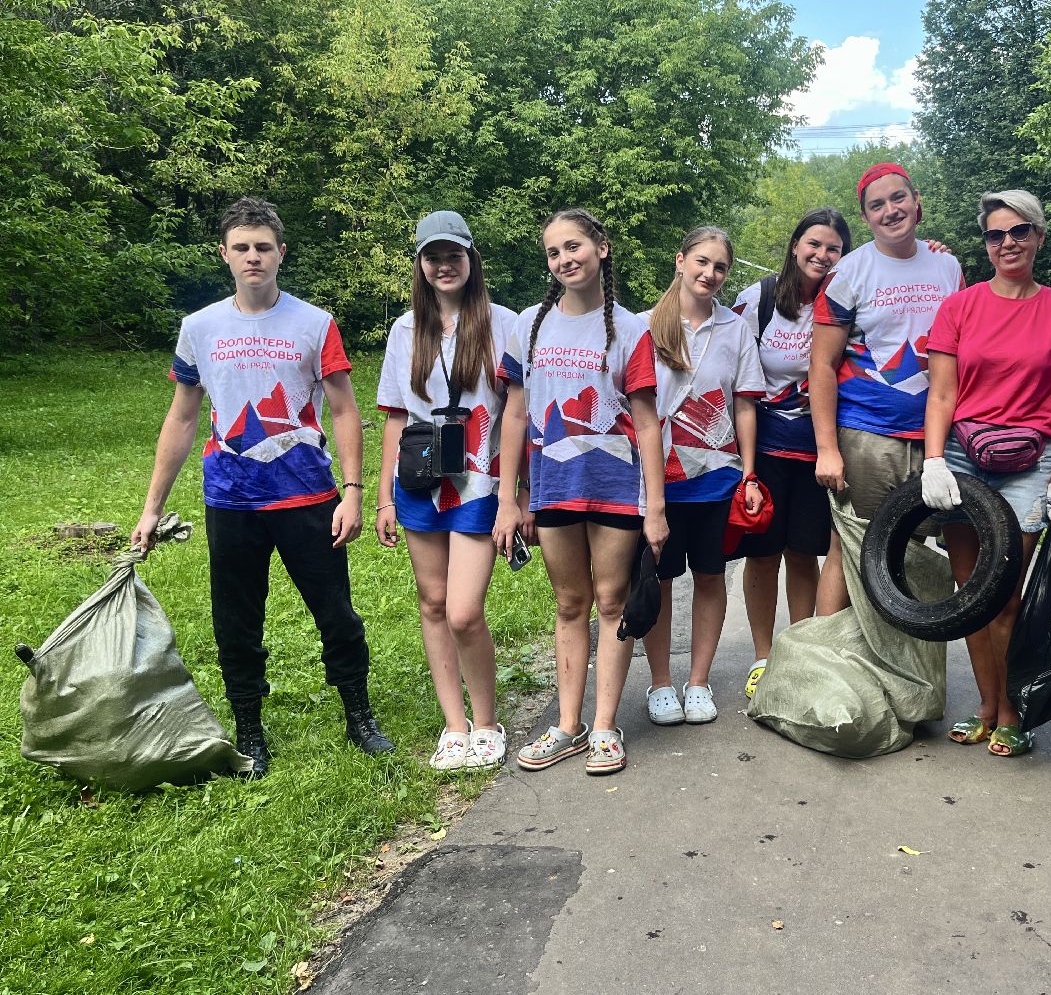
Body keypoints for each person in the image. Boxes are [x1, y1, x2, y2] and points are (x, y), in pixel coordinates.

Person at [131, 197, 393, 779]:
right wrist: (152, 508)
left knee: (337, 615)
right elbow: (181, 417)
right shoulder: (198, 327)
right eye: (242, 247)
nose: (253, 257)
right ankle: (249, 725)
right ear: (224, 254)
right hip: (231, 500)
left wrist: (353, 491)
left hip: (307, 497)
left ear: (280, 253)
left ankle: (359, 713)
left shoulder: (315, 322)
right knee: (236, 622)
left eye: (263, 247)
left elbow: (346, 410)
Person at [493, 208, 667, 776]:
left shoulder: (633, 328)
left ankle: (603, 728)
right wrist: (508, 497)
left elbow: (646, 422)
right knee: (570, 604)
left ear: (602, 249)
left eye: (574, 247)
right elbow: (514, 415)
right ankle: (567, 726)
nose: (565, 259)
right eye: (553, 252)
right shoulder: (529, 325)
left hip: (616, 486)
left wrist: (656, 508)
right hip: (552, 484)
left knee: (613, 602)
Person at [921, 189, 1051, 758]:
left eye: (1019, 232)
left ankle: (1016, 711)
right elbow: (942, 393)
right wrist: (934, 459)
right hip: (967, 455)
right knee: (970, 593)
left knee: (1007, 597)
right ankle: (987, 706)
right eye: (996, 235)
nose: (1008, 243)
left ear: (1040, 237)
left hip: (1030, 460)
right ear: (986, 244)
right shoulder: (960, 307)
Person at [375, 211, 517, 771]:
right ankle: (454, 727)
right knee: (432, 603)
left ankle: (487, 722)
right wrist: (385, 496)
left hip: (482, 480)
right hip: (421, 479)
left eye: (453, 256)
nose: (443, 266)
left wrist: (517, 493)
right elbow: (392, 415)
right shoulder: (405, 329)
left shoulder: (504, 324)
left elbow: (519, 412)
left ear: (470, 259)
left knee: (463, 611)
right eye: (432, 257)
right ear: (420, 265)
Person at [810, 163, 964, 613]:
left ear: (917, 203)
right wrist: (827, 449)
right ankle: (833, 666)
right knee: (851, 548)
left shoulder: (948, 267)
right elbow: (821, 364)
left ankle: (901, 668)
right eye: (877, 205)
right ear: (865, 217)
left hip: (938, 439)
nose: (890, 210)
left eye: (898, 198)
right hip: (867, 435)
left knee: (910, 554)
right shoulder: (848, 274)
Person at [640, 227, 765, 726]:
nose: (710, 274)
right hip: (660, 484)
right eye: (702, 261)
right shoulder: (643, 327)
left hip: (717, 479)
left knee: (711, 576)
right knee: (662, 580)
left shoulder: (735, 329)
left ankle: (698, 681)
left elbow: (745, 404)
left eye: (720, 267)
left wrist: (750, 474)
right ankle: (660, 683)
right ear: (680, 260)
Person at [731, 209, 851, 698]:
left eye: (833, 248)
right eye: (814, 244)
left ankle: (799, 653)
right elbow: (731, 370)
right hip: (765, 450)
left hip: (821, 452)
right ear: (795, 244)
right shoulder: (757, 300)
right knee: (762, 556)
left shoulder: (847, 300)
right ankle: (765, 657)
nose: (821, 256)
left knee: (804, 555)